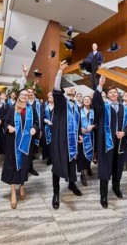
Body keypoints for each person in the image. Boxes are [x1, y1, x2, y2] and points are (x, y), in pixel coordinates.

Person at [92, 75, 127, 208]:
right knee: (105, 168)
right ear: (108, 95)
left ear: (118, 94)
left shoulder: (124, 109)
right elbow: (96, 101)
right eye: (110, 92)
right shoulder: (102, 107)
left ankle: (116, 188)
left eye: (115, 92)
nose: (113, 94)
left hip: (120, 142)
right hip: (106, 143)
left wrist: (124, 133)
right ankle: (103, 195)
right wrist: (100, 85)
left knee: (118, 166)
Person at [51, 61, 83, 209]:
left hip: (73, 142)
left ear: (75, 93)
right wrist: (60, 71)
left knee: (72, 164)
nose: (71, 89)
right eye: (68, 88)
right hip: (61, 141)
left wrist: (79, 135)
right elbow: (56, 89)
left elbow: (78, 123)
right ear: (65, 92)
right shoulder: (61, 104)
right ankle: (56, 193)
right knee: (58, 166)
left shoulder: (77, 107)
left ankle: (72, 184)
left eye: (73, 88)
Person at [1, 88, 39, 209]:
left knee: (24, 165)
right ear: (18, 96)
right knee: (12, 166)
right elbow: (5, 122)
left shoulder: (31, 109)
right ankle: (13, 191)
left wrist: (34, 128)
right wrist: (8, 127)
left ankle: (22, 186)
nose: (24, 96)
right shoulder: (12, 109)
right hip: (12, 143)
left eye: (27, 95)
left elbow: (37, 122)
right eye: (22, 94)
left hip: (26, 144)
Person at [78, 95, 95, 186]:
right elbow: (75, 122)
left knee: (89, 153)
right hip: (81, 136)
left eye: (89, 100)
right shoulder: (79, 111)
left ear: (91, 102)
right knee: (81, 154)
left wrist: (93, 126)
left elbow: (97, 122)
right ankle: (82, 174)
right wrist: (80, 128)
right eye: (85, 100)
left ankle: (88, 167)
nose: (87, 101)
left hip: (91, 136)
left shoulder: (93, 112)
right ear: (83, 102)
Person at [42, 92, 54, 166]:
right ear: (48, 99)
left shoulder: (57, 107)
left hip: (56, 127)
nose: (51, 98)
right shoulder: (44, 106)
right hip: (47, 127)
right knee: (48, 143)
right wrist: (46, 120)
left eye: (53, 97)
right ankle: (49, 158)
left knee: (55, 143)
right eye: (50, 97)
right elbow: (41, 117)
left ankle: (54, 158)